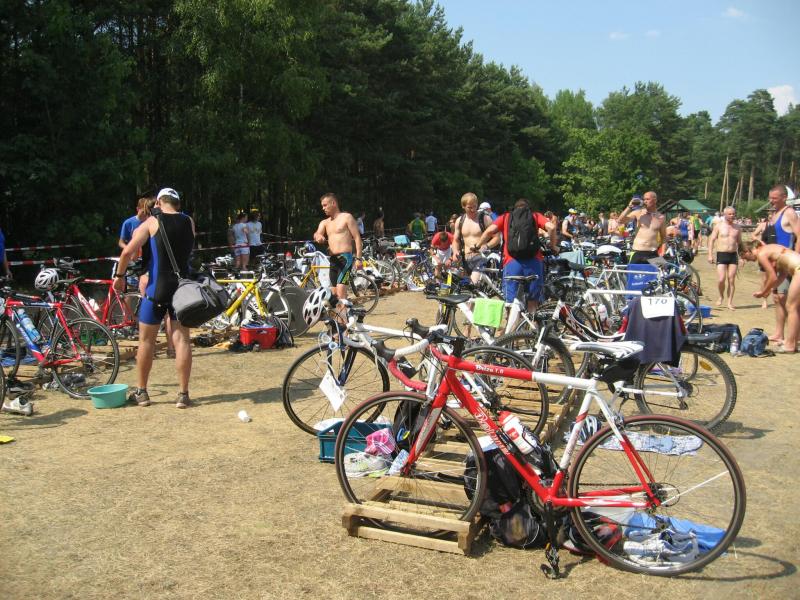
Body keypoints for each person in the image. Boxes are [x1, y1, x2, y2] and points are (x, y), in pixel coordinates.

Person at [114, 188, 196, 408]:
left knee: (146, 341)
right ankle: (183, 395)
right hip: (182, 290)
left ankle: (142, 392)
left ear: (158, 202)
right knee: (182, 340)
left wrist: (119, 277)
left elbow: (127, 252)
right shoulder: (188, 221)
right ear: (177, 203)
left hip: (157, 288)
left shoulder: (152, 222)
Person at [476, 198, 558, 311]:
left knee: (511, 303)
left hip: (512, 262)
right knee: (533, 301)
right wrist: (553, 246)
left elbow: (489, 231)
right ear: (528, 208)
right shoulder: (535, 216)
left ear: (515, 208)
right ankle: (532, 320)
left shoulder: (505, 217)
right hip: (534, 262)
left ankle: (513, 321)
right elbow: (551, 227)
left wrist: (477, 245)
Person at [742, 241, 800, 353]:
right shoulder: (772, 250)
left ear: (747, 251)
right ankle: (793, 341)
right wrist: (772, 288)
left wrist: (763, 292)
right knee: (795, 308)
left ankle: (790, 345)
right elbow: (782, 274)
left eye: (745, 257)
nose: (747, 261)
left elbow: (772, 277)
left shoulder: (761, 253)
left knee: (791, 307)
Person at [761, 184, 800, 344]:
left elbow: (799, 234)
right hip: (777, 262)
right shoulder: (775, 214)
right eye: (770, 198)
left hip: (789, 263)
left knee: (789, 301)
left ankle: (793, 337)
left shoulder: (789, 212)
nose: (771, 201)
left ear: (784, 197)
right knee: (777, 298)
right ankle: (779, 333)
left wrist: (796, 255)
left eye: (775, 198)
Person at [313, 193, 363, 300]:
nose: (323, 208)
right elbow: (317, 233)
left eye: (325, 205)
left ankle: (344, 310)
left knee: (341, 294)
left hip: (345, 259)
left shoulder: (347, 217)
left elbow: (357, 238)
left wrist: (359, 258)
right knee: (334, 295)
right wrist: (318, 236)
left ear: (333, 203)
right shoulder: (325, 222)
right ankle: (345, 310)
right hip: (333, 260)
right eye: (322, 206)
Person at [452, 193, 498, 284]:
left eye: (475, 206)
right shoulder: (459, 221)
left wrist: (486, 246)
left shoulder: (485, 219)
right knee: (459, 286)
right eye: (469, 207)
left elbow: (497, 238)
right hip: (464, 259)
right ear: (463, 206)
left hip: (481, 258)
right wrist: (455, 251)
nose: (473, 210)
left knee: (473, 285)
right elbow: (456, 240)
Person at [707, 206, 743, 309]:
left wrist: (741, 257)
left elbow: (740, 243)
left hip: (733, 255)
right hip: (721, 254)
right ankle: (721, 296)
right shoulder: (719, 226)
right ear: (725, 214)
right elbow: (711, 240)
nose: (732, 215)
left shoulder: (737, 227)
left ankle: (730, 302)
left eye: (733, 214)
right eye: (730, 214)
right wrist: (710, 254)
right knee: (721, 279)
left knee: (731, 280)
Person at [618, 191, 667, 264]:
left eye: (647, 199)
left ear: (655, 200)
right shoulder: (639, 213)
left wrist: (663, 251)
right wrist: (629, 207)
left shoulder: (661, 217)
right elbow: (620, 220)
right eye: (644, 199)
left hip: (653, 253)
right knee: (633, 271)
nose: (645, 201)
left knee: (661, 269)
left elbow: (664, 237)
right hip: (637, 252)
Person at [752, 213, 771, 308]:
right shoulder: (763, 225)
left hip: (777, 254)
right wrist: (761, 242)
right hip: (765, 254)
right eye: (770, 213)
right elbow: (753, 235)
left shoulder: (780, 225)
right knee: (765, 279)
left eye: (774, 213)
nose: (772, 215)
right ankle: (765, 299)